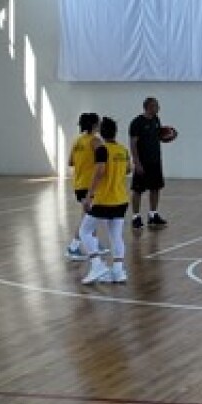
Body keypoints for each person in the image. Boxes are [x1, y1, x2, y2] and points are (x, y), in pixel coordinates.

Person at [79, 117, 131, 285]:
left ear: (101, 132)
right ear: (115, 132)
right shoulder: (123, 150)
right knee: (116, 235)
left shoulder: (102, 150)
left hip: (104, 200)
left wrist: (89, 195)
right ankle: (118, 271)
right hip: (121, 199)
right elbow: (129, 169)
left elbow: (100, 171)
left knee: (84, 231)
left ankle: (96, 265)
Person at [66, 111, 105, 260]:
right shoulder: (95, 141)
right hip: (89, 184)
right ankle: (73, 247)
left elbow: (70, 162)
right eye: (99, 122)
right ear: (94, 124)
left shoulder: (77, 141)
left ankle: (93, 244)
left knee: (91, 215)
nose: (101, 124)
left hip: (79, 183)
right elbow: (102, 162)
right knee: (87, 217)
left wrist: (83, 160)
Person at [128, 96, 168, 229]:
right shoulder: (137, 123)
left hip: (155, 161)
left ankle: (153, 215)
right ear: (149, 107)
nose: (158, 108)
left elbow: (158, 136)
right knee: (137, 190)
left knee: (155, 188)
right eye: (156, 105)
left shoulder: (156, 120)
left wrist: (167, 136)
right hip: (142, 162)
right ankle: (136, 217)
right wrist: (137, 162)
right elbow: (133, 144)